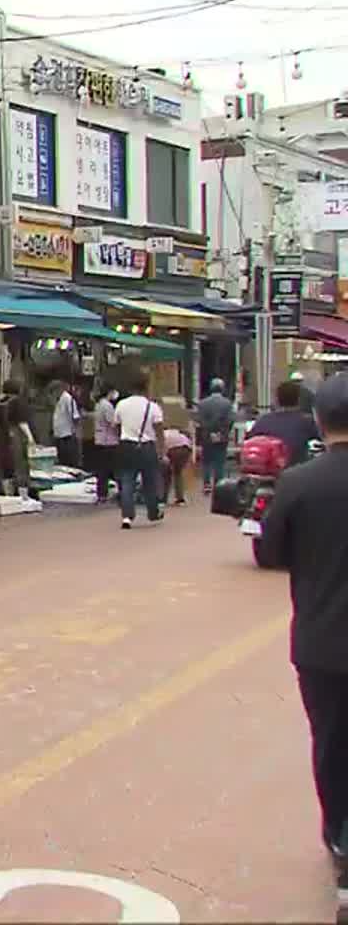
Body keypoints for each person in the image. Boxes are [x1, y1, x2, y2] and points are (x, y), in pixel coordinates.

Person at [255, 374, 348, 911]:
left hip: (321, 642)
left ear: (319, 422)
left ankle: (340, 840)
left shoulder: (299, 483)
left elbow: (271, 554)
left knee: (333, 747)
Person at [113, 374, 165, 529]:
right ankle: (152, 512)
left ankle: (127, 516)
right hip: (146, 446)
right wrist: (161, 450)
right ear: (146, 387)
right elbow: (159, 430)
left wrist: (122, 438)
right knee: (150, 481)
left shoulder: (121, 404)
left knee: (127, 480)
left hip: (126, 446)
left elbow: (116, 425)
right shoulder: (152, 406)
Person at [249, 380, 323, 467]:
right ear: (298, 399)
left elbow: (249, 440)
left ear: (277, 399)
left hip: (267, 469)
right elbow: (324, 437)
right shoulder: (306, 421)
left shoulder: (263, 420)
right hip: (296, 471)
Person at [195, 379, 236, 491]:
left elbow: (199, 420)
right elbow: (230, 420)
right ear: (222, 389)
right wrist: (223, 432)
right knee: (220, 461)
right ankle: (218, 484)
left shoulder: (202, 403)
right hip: (222, 436)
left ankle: (207, 484)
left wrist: (208, 430)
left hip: (207, 435)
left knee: (207, 461)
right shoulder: (227, 403)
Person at [92, 383, 121, 504]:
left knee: (102, 469)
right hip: (109, 441)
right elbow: (113, 423)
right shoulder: (107, 406)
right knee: (116, 468)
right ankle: (120, 493)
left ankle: (101, 494)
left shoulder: (98, 405)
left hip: (100, 440)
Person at [51, 378, 82, 470]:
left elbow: (75, 416)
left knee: (68, 460)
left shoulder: (68, 399)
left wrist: (76, 431)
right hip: (59, 434)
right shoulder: (59, 399)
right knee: (61, 458)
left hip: (67, 435)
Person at [160, 425, 193, 506]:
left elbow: (161, 448)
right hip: (186, 449)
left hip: (172, 449)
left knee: (166, 475)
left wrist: (163, 457)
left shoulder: (162, 434)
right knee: (178, 473)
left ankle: (163, 499)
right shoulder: (177, 433)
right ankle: (180, 499)